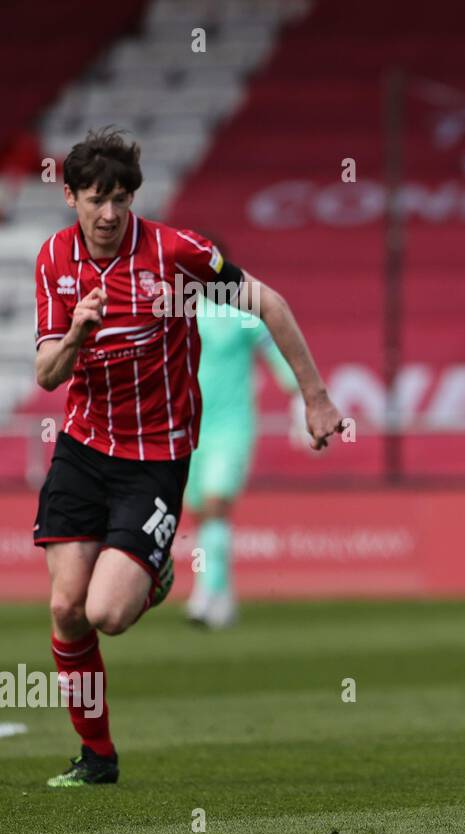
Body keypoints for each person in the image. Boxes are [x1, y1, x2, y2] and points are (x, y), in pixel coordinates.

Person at [33, 128, 344, 786]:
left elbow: (269, 305)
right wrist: (79, 332)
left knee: (108, 614)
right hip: (83, 447)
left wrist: (315, 400)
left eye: (122, 198)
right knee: (66, 609)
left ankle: (152, 573)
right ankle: (98, 758)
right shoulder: (53, 261)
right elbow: (46, 374)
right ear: (70, 197)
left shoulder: (176, 254)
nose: (111, 213)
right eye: (97, 199)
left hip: (155, 456)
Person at [184, 277, 300, 630]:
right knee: (199, 514)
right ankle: (221, 594)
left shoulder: (243, 311)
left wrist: (299, 394)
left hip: (231, 428)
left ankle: (207, 594)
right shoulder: (178, 309)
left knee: (217, 503)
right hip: (187, 428)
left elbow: (276, 348)